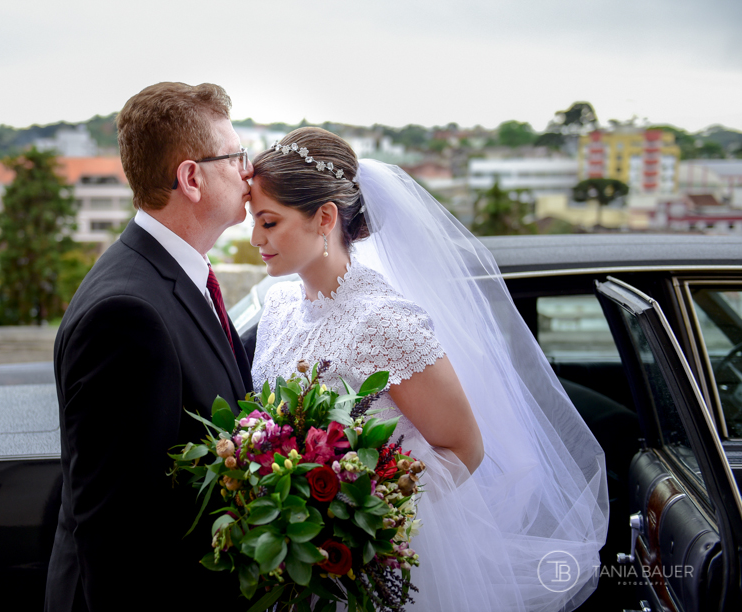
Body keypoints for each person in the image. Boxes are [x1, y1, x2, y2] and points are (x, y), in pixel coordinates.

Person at [248, 127, 608, 611]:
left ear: (325, 218)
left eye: (269, 222)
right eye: (254, 221)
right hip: (288, 557)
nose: (255, 238)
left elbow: (464, 447)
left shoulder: (384, 321)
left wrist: (359, 517)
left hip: (369, 565)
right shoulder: (278, 305)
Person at [45, 82, 254, 612]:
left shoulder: (170, 275)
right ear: (191, 178)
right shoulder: (128, 315)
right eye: (236, 157)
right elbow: (117, 532)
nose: (248, 173)